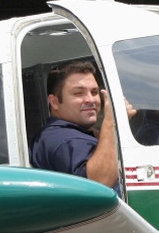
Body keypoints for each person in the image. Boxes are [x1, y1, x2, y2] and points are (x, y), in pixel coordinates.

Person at [30, 61, 120, 191]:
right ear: (54, 102)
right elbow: (99, 186)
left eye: (94, 92)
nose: (90, 99)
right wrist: (112, 121)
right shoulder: (61, 139)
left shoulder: (73, 134)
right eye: (79, 93)